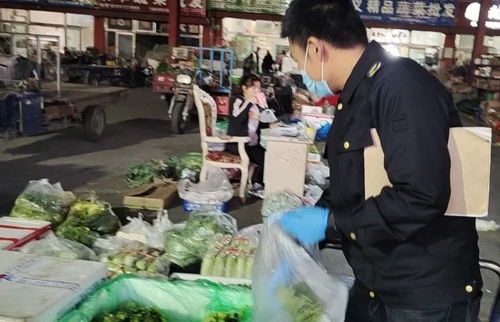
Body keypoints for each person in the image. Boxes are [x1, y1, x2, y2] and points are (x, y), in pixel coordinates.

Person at [277, 0, 482, 321]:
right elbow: (356, 177)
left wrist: (330, 223)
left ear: (315, 48)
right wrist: (319, 211)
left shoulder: (400, 86)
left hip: (422, 294)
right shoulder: (358, 93)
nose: (301, 72)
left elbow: (420, 195)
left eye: (296, 58)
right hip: (378, 280)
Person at [226, 74, 272, 187]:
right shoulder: (237, 100)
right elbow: (237, 118)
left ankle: (259, 184)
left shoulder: (255, 105)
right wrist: (249, 102)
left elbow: (260, 124)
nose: (257, 91)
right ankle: (259, 185)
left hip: (251, 144)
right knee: (267, 160)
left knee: (271, 157)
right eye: (253, 88)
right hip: (238, 144)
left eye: (259, 89)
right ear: (244, 88)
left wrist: (269, 118)